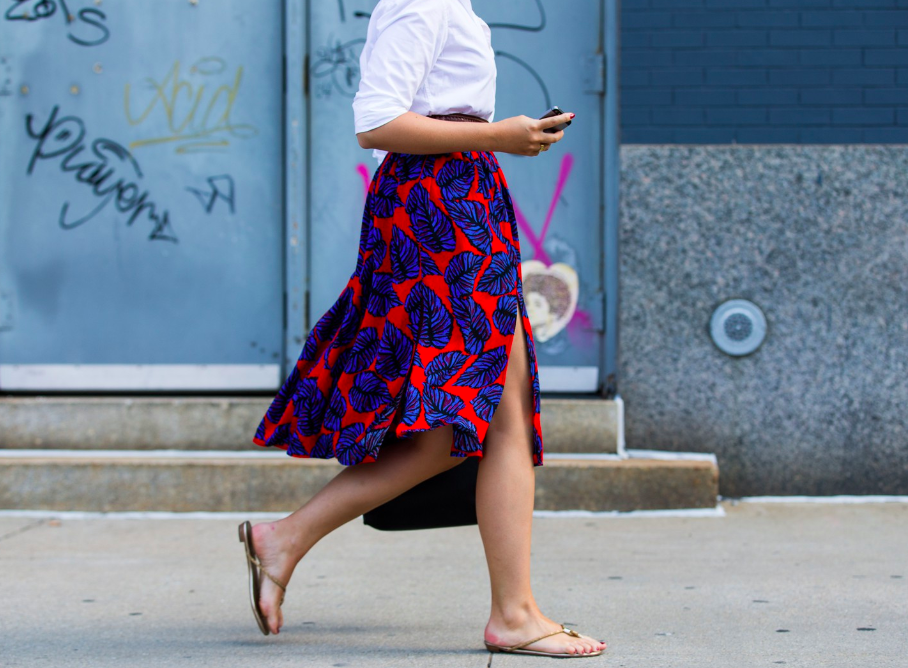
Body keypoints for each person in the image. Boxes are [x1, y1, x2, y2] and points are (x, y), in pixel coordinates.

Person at [239, 0, 606, 658]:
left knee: (501, 409)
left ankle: (509, 609)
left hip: (457, 201)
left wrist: (497, 143)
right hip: (443, 211)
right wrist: (500, 136)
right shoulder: (424, 2)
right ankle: (509, 611)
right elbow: (376, 121)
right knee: (484, 413)